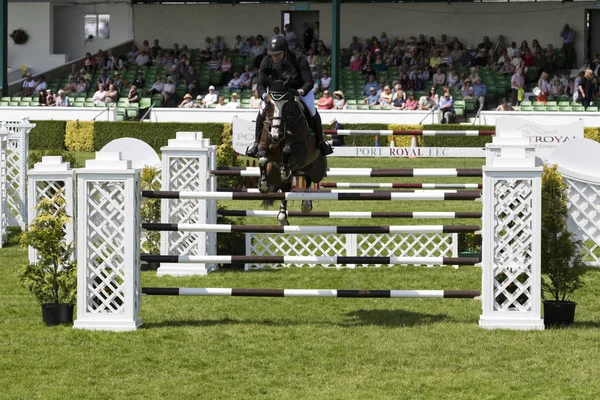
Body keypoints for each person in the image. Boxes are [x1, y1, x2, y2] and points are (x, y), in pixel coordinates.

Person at [245, 36, 332, 157]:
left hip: (298, 90)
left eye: (277, 54)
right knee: (261, 111)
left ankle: (321, 142)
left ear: (285, 51)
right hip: (275, 93)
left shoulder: (299, 58)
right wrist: (265, 96)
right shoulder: (266, 61)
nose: (274, 57)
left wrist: (300, 92)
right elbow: (260, 84)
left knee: (311, 110)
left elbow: (309, 82)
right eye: (272, 54)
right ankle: (256, 143)